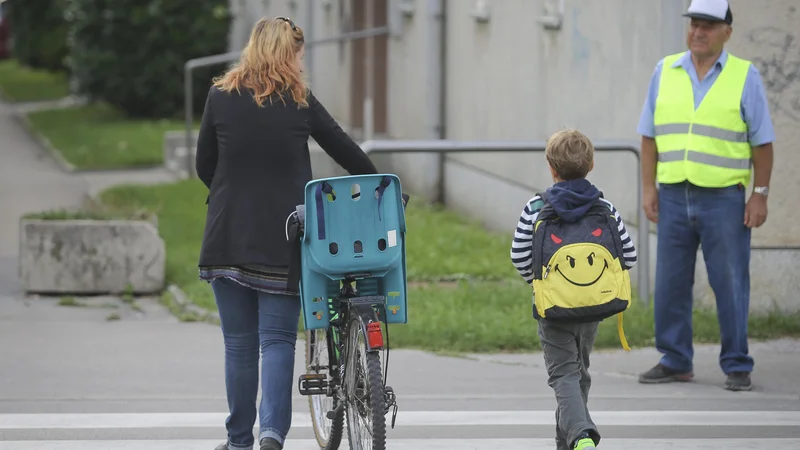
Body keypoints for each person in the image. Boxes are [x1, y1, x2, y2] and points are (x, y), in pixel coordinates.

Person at [194, 16, 379, 450]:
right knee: (276, 341)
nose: (301, 62)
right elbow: (345, 149)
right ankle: (272, 437)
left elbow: (205, 165)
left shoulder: (219, 97)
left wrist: (230, 196)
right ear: (288, 55)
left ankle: (238, 441)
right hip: (284, 240)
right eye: (299, 54)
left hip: (226, 236)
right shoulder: (299, 102)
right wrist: (381, 186)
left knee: (238, 345)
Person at [636, 0, 775, 392]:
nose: (698, 31)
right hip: (674, 195)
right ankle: (675, 359)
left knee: (730, 283)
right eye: (694, 24)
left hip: (724, 200)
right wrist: (649, 188)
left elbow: (762, 144)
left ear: (727, 32)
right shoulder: (665, 71)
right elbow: (649, 137)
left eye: (708, 26)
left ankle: (737, 363)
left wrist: (759, 194)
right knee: (670, 284)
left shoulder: (745, 76)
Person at [511, 129, 638, 450]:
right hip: (593, 307)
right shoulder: (604, 206)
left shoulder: (536, 206)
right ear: (591, 165)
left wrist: (541, 285)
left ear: (551, 168)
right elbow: (629, 255)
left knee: (564, 375)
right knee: (578, 373)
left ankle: (581, 435)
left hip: (552, 309)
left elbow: (519, 255)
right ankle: (567, 442)